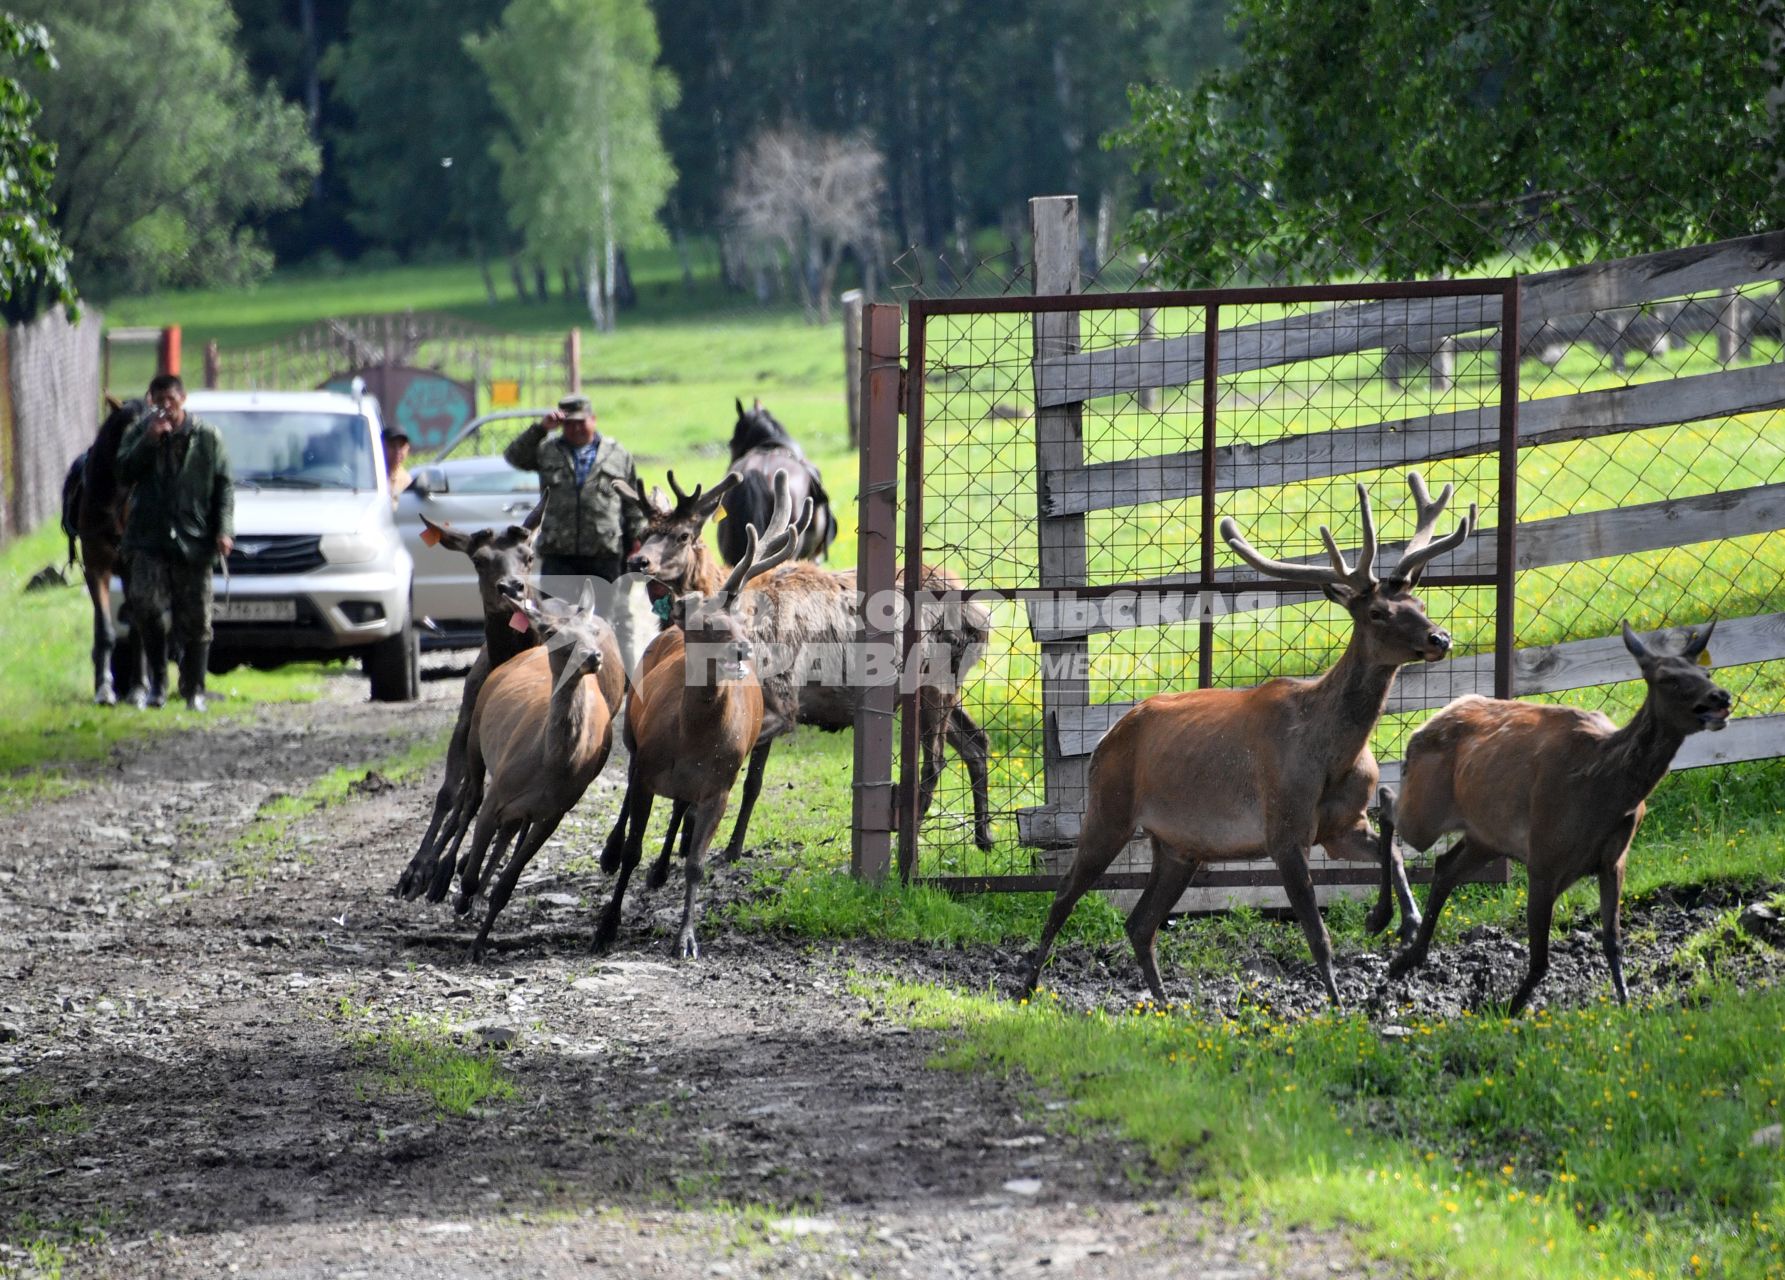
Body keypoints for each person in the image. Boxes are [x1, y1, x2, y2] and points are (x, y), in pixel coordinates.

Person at [115, 373, 234, 711]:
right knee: (146, 606)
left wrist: (224, 529)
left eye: (172, 399)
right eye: (159, 400)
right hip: (148, 538)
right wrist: (149, 441)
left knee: (197, 617)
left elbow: (224, 486)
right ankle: (157, 683)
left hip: (193, 539)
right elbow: (123, 472)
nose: (166, 406)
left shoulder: (207, 437)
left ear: (183, 400)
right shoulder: (139, 432)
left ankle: (194, 688)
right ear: (151, 401)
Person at [382, 427, 413, 508]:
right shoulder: (373, 475)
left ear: (407, 448)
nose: (397, 451)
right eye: (392, 446)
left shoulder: (406, 479)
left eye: (401, 446)